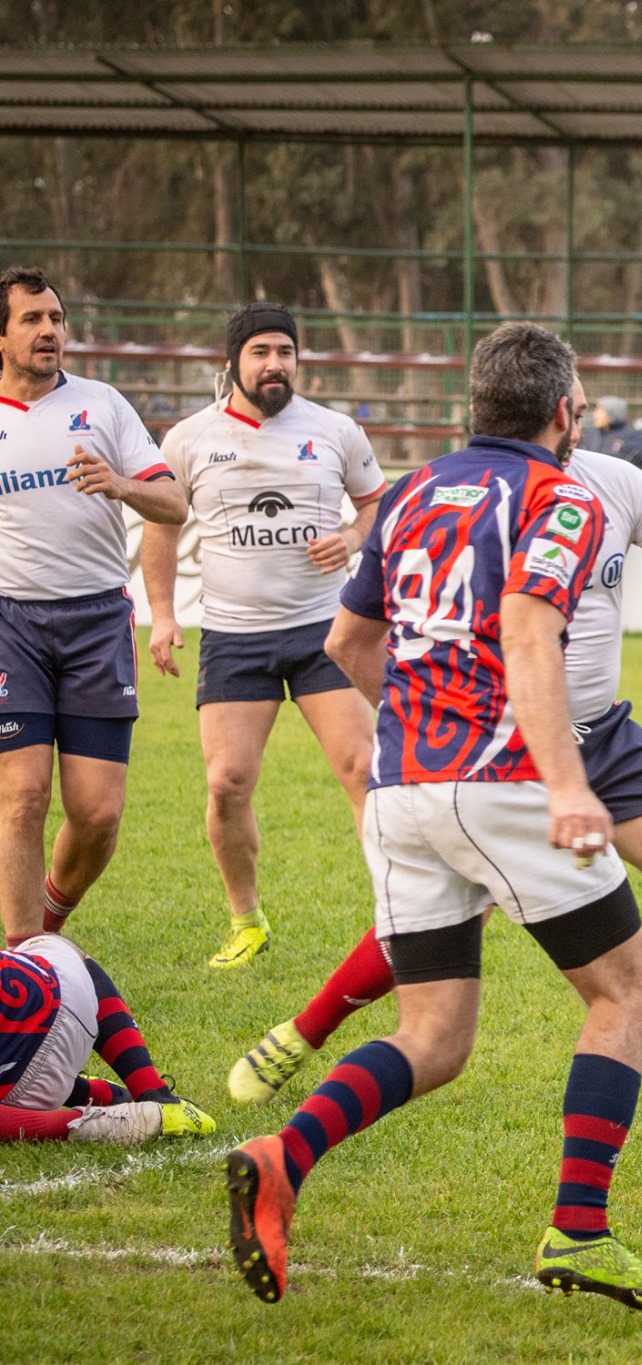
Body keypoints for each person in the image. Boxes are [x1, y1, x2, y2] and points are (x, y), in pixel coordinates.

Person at [223, 323, 642, 1313]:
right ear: (564, 414)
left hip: (402, 787)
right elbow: (526, 630)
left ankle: (282, 1153)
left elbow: (347, 642)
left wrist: (423, 720)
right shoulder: (559, 497)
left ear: (476, 405)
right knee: (625, 995)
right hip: (504, 783)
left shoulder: (413, 491)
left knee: (433, 1035)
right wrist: (566, 785)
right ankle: (581, 1233)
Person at [225, 412, 642, 1111]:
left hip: (603, 735)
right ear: (548, 411)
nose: (574, 417)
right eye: (566, 404)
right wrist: (425, 720)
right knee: (449, 923)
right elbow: (362, 637)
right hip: (499, 745)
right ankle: (304, 1032)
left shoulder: (618, 485)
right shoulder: (468, 492)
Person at [141, 303, 389, 970]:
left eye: (285, 350)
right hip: (234, 636)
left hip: (325, 632)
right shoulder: (189, 438)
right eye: (260, 352)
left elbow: (376, 503)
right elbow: (161, 526)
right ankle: (246, 920)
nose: (275, 363)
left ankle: (402, 913)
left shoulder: (335, 430)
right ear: (231, 364)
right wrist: (162, 614)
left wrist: (353, 539)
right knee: (226, 782)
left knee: (363, 768)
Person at [0, 266, 187, 947]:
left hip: (97, 623)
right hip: (9, 624)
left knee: (98, 813)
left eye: (57, 318)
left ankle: (49, 922)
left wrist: (118, 483)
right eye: (32, 319)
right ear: (2, 334)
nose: (50, 330)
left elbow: (175, 502)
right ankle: (23, 966)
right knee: (21, 796)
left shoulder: (103, 406)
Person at [0, 933, 216, 1143]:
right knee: (51, 943)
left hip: (28, 1077)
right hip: (64, 995)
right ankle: (150, 1090)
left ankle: (102, 1121)